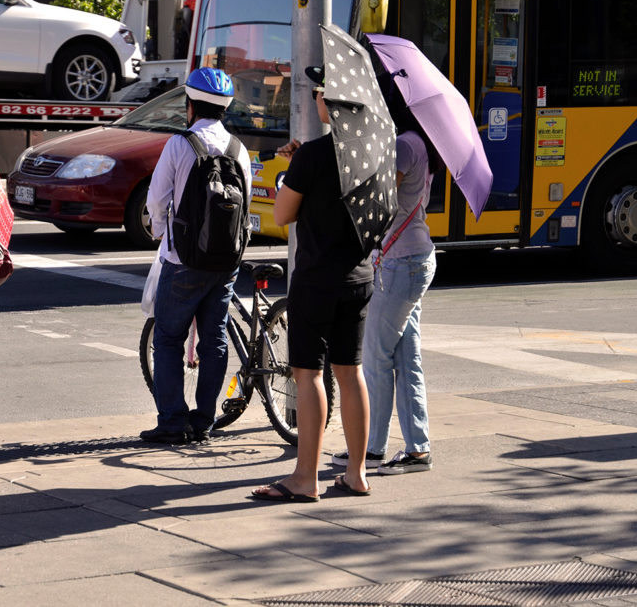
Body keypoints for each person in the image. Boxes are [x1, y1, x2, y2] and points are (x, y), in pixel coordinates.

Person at [251, 66, 375, 502]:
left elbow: (283, 214)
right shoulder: (374, 152)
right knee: (351, 372)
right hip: (359, 276)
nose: (316, 98)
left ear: (331, 102)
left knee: (308, 375)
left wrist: (292, 170)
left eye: (320, 91)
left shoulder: (313, 155)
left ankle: (306, 477)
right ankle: (357, 473)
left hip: (317, 280)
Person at [140, 67, 251, 445]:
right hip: (226, 264)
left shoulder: (180, 144)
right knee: (214, 340)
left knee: (168, 339)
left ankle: (173, 421)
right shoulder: (239, 149)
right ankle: (204, 420)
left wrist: (160, 233)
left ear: (190, 105)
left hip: (183, 260)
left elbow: (157, 200)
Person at [331, 110, 439, 476]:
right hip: (408, 258)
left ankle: (371, 448)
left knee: (375, 359)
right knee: (406, 360)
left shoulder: (406, 145)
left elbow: (379, 198)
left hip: (400, 263)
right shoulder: (418, 144)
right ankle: (417, 448)